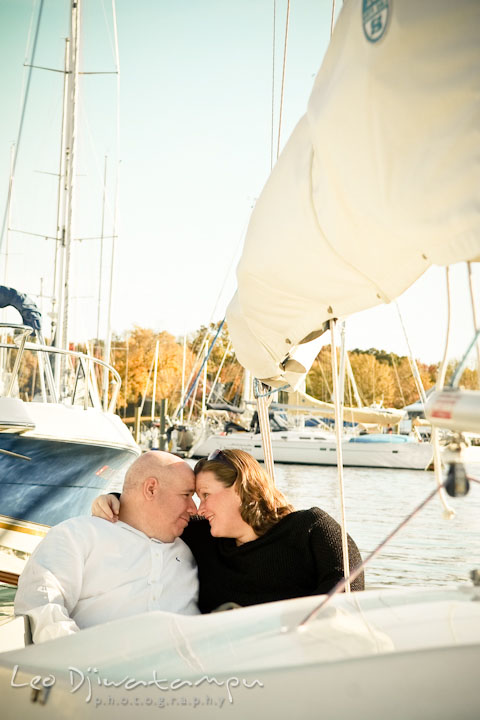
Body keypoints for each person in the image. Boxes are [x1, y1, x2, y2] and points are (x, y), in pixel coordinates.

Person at [94, 449, 364, 614]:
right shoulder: (204, 538)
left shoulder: (310, 528)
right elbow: (150, 507)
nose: (200, 508)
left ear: (242, 489)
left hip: (296, 660)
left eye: (206, 495)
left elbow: (347, 592)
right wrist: (114, 498)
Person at [14, 451, 199, 644]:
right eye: (186, 495)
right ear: (151, 489)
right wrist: (81, 662)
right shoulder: (77, 536)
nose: (194, 509)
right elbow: (42, 603)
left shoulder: (195, 548)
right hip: (88, 669)